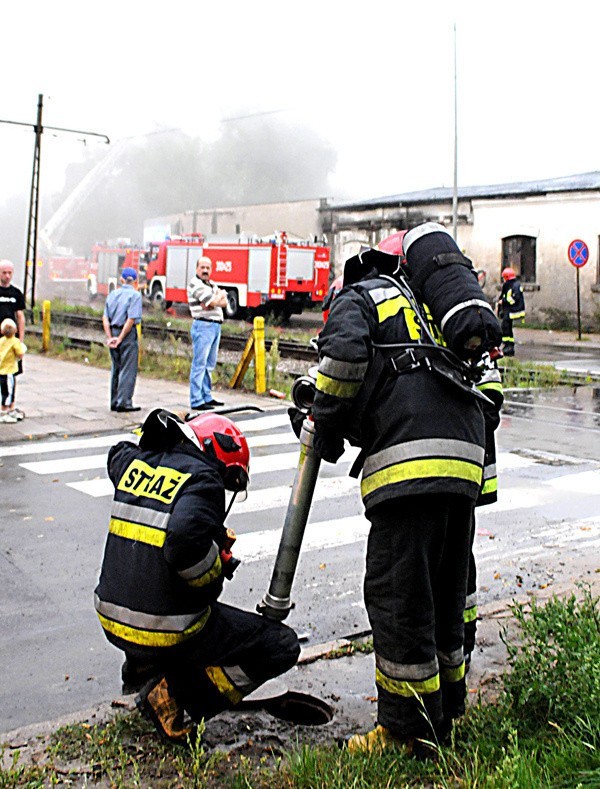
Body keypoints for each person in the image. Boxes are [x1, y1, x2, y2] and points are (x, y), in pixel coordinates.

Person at [311, 224, 488, 757]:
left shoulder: (362, 296)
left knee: (399, 597)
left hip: (411, 465)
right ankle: (447, 713)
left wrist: (324, 420)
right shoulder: (433, 309)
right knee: (445, 591)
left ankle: (405, 732)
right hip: (465, 462)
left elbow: (342, 360)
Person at [94, 408, 300, 743]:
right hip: (162, 630)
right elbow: (182, 546)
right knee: (279, 646)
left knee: (158, 587)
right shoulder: (204, 480)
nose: (224, 484)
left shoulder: (135, 463)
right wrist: (215, 567)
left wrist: (158, 440)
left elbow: (118, 451)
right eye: (228, 477)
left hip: (112, 619)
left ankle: (142, 671)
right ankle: (176, 702)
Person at [187, 256, 228, 411]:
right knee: (199, 364)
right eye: (202, 267)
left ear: (211, 269)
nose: (205, 270)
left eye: (208, 268)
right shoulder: (195, 284)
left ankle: (206, 396)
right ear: (197, 268)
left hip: (214, 326)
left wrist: (215, 299)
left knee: (209, 365)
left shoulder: (210, 284)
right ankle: (196, 400)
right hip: (203, 326)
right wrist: (215, 299)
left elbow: (223, 302)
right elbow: (211, 302)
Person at [102, 267, 143, 412]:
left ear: (122, 280)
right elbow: (131, 319)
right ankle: (124, 402)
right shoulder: (135, 296)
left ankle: (114, 401)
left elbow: (105, 318)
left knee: (116, 368)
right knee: (128, 369)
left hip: (113, 331)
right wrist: (120, 338)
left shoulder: (112, 294)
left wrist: (110, 337)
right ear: (136, 281)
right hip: (127, 335)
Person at [0, 260, 26, 419]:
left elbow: (20, 317)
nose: (7, 276)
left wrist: (20, 339)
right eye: (4, 273)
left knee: (11, 374)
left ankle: (10, 405)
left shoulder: (16, 293)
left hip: (12, 342)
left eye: (10, 273)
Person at [0, 318, 27, 423]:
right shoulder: (15, 341)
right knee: (8, 392)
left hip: (1, 370)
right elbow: (20, 354)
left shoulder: (1, 341)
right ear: (15, 330)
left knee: (3, 391)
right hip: (9, 371)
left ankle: (6, 411)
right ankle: (4, 412)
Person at [498, 267, 525, 356]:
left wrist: (504, 301)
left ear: (506, 277)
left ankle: (509, 346)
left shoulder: (515, 285)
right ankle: (508, 346)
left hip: (513, 310)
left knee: (505, 327)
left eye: (504, 277)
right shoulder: (509, 285)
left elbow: (514, 299)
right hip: (509, 310)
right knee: (506, 327)